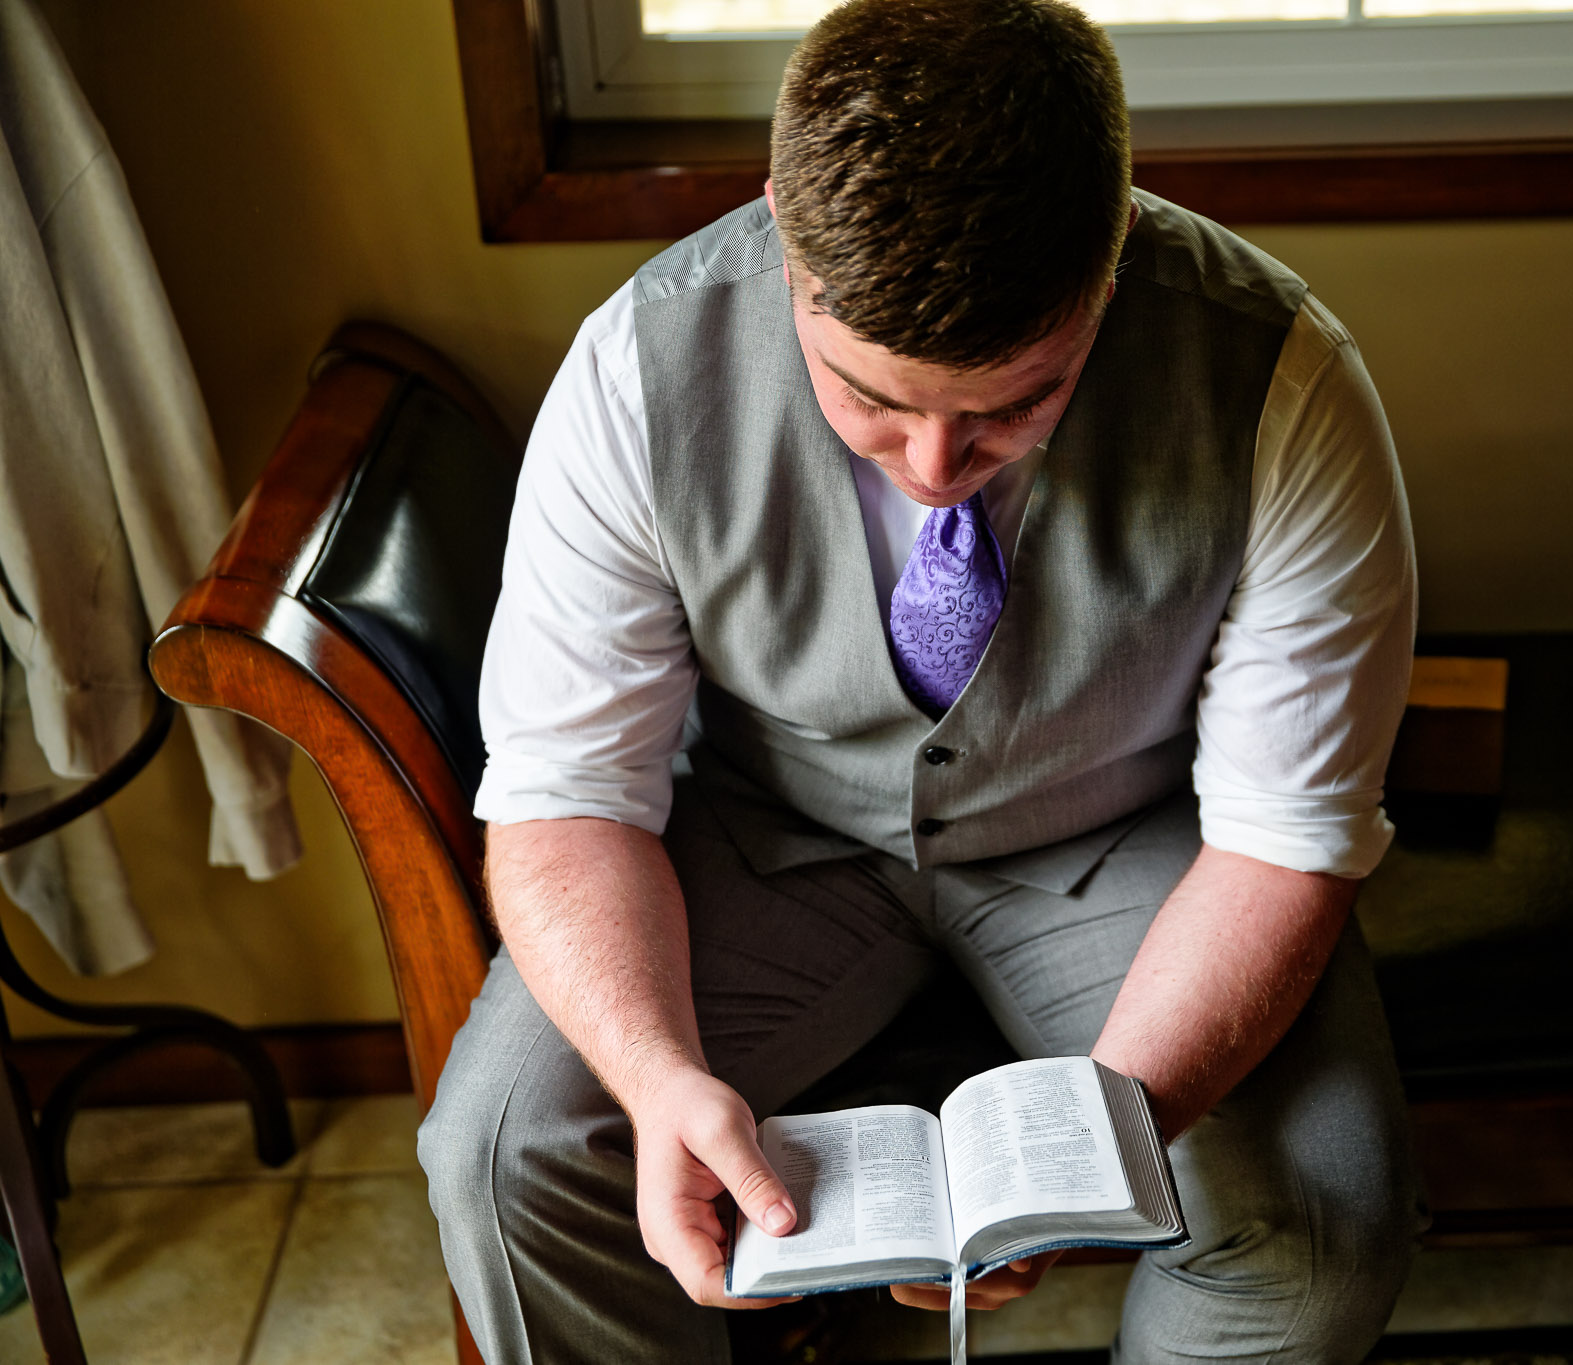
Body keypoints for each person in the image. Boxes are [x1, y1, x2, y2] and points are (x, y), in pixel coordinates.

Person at [418, 0, 1426, 1358]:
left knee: (1321, 1207)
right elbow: (564, 790)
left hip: (1118, 843)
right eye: (870, 401)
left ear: (1112, 249)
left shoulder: (1285, 384)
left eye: (1015, 402)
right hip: (767, 835)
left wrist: (1097, 1142)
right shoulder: (635, 371)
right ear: (785, 234)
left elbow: (1285, 840)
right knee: (507, 1148)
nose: (937, 467)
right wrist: (657, 1078)